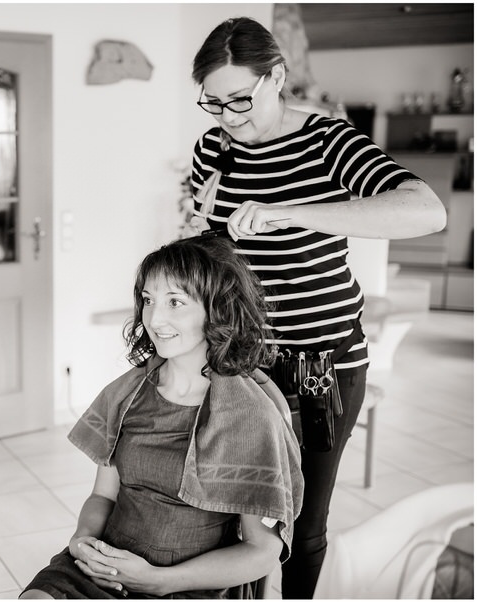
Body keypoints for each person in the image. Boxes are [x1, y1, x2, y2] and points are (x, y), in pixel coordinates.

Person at [189, 17, 448, 599]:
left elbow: (426, 210)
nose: (229, 118)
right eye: (214, 103)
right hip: (240, 361)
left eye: (241, 99)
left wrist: (290, 211)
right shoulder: (212, 148)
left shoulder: (328, 142)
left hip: (319, 368)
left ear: (277, 77)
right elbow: (215, 246)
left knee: (302, 525)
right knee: (232, 515)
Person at [21, 235, 303, 599]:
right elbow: (103, 496)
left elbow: (262, 552)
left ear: (216, 309)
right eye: (148, 300)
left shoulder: (250, 417)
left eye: (175, 302)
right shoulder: (128, 394)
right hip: (107, 564)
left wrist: (159, 580)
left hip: (190, 584)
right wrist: (84, 542)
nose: (154, 319)